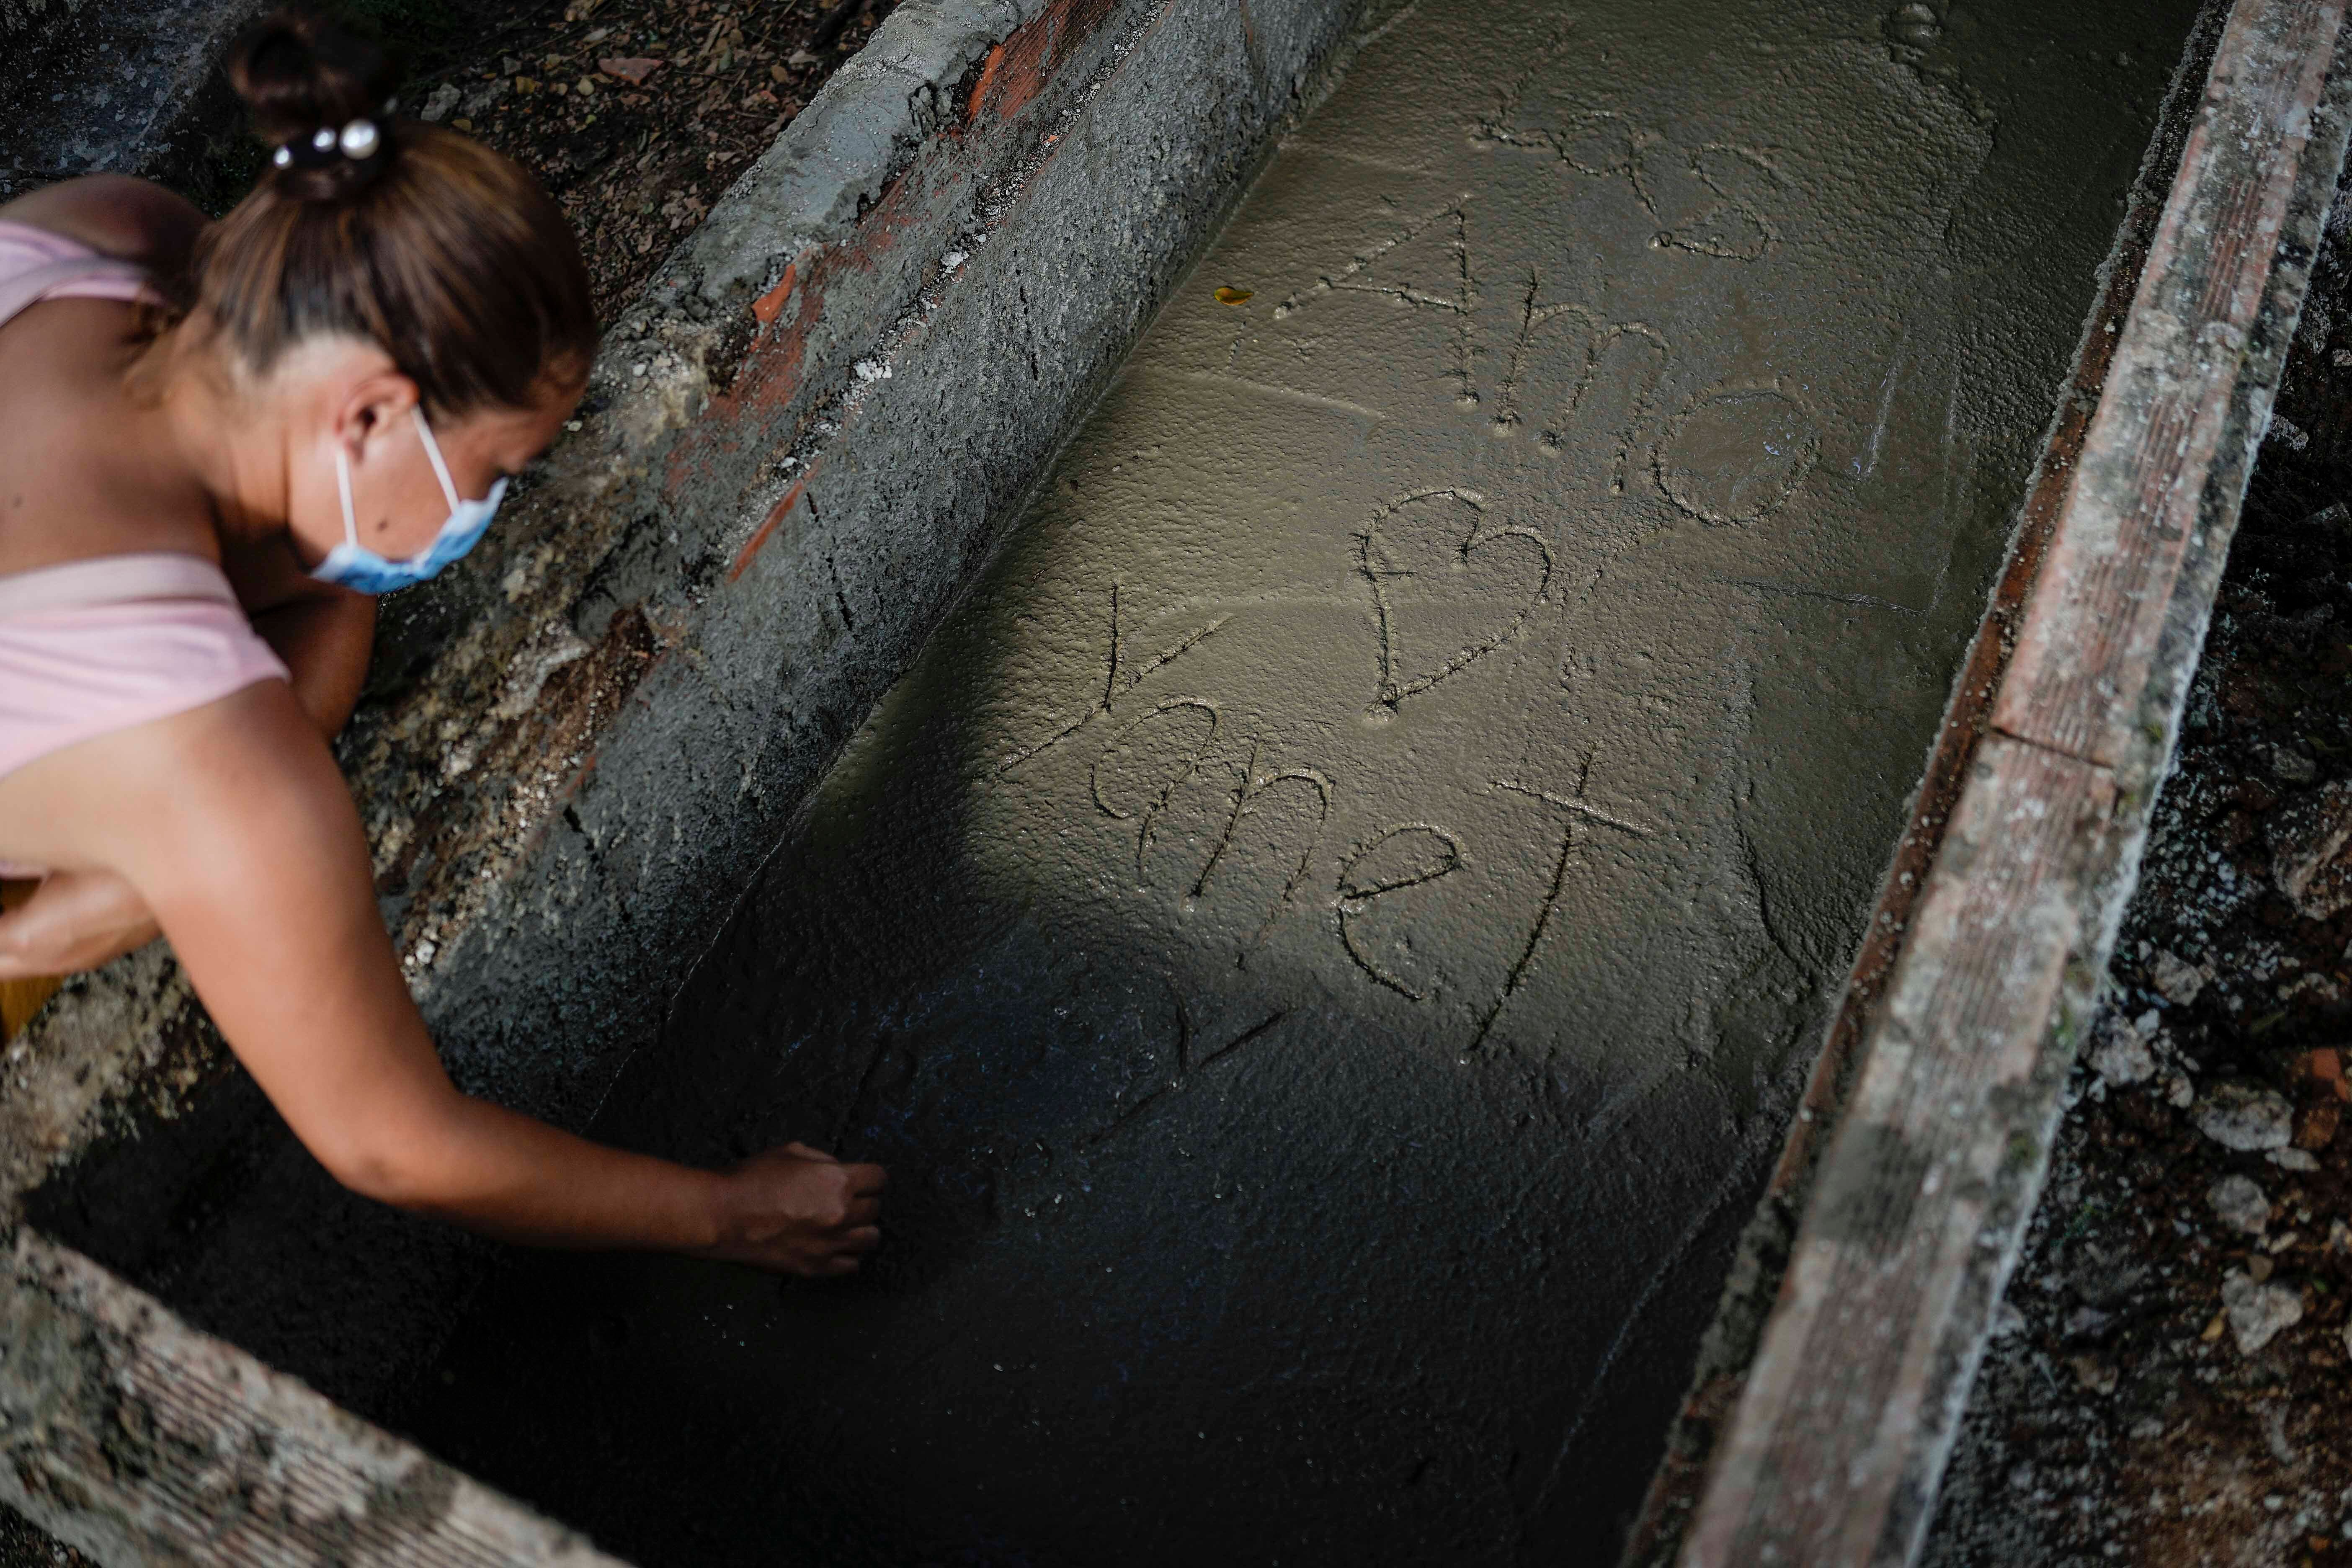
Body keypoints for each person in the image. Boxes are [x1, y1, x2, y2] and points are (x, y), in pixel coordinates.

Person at [0, 7, 884, 1275]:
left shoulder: (107, 234)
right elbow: (393, 1144)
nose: (484, 514)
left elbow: (309, 578)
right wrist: (735, 1215)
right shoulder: (202, 745)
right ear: (370, 415)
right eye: (494, 472)